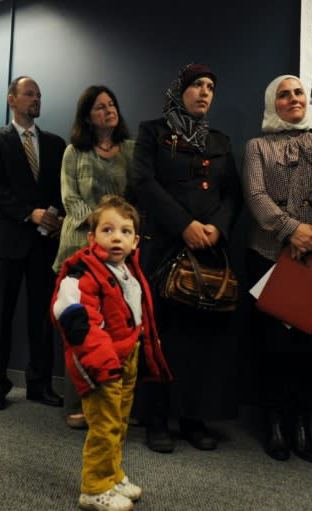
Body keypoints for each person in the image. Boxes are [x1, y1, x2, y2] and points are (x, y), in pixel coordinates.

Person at [132, 63, 241, 452]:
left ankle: (194, 419)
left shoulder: (221, 140)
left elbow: (232, 194)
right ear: (180, 90)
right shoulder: (153, 132)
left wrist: (216, 229)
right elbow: (143, 181)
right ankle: (157, 420)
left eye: (211, 86)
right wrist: (184, 224)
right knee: (162, 338)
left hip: (209, 251)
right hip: (165, 246)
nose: (204, 92)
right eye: (197, 85)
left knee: (200, 340)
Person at [242, 75, 312, 463]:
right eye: (283, 95)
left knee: (310, 349)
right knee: (273, 348)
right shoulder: (257, 146)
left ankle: (302, 424)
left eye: (298, 92)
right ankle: (274, 424)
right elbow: (255, 195)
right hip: (268, 257)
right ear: (273, 103)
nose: (293, 99)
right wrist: (291, 230)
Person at [51, 195, 171, 511]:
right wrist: (102, 361)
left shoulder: (127, 269)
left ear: (135, 240)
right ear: (92, 238)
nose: (117, 237)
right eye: (107, 230)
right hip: (101, 363)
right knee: (103, 428)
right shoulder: (81, 272)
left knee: (118, 423)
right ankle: (94, 488)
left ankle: (112, 474)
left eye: (125, 231)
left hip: (126, 358)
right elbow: (72, 316)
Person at [0, 76, 66, 410]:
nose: (36, 99)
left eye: (39, 95)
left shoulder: (56, 144)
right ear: (11, 99)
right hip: (6, 243)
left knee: (43, 319)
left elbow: (61, 190)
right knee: (0, 316)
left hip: (45, 245)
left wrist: (56, 218)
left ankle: (39, 385)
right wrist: (30, 213)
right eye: (30, 94)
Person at [52, 85, 136, 430]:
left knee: (116, 330)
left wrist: (118, 232)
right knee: (81, 331)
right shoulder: (74, 151)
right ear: (87, 115)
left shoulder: (131, 150)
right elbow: (71, 200)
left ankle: (112, 402)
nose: (108, 110)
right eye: (100, 106)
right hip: (79, 251)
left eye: (112, 104)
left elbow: (136, 199)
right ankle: (78, 403)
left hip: (119, 255)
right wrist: (104, 227)